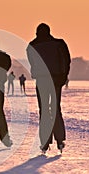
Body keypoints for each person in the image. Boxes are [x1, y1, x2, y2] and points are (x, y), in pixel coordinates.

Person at [26, 23, 71, 153]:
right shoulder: (59, 43)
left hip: (42, 80)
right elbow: (66, 60)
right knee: (55, 108)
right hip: (56, 79)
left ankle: (45, 142)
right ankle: (60, 140)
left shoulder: (32, 46)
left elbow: (32, 62)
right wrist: (64, 76)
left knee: (44, 110)